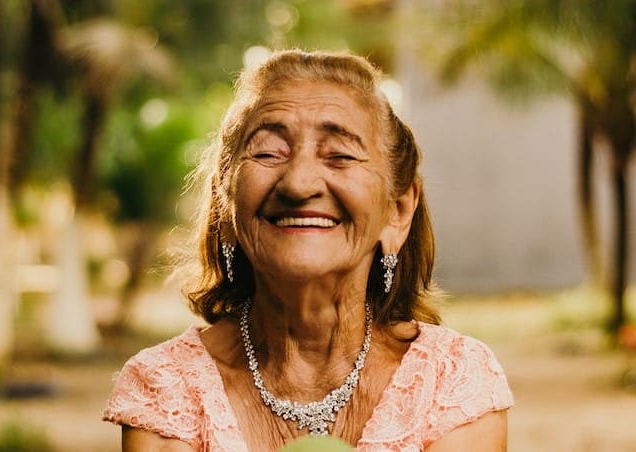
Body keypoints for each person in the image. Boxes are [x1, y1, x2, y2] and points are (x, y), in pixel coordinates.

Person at [103, 49, 513, 451]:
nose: (299, 184)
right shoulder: (167, 391)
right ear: (225, 208)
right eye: (268, 152)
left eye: (339, 155)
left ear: (397, 212)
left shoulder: (452, 384)